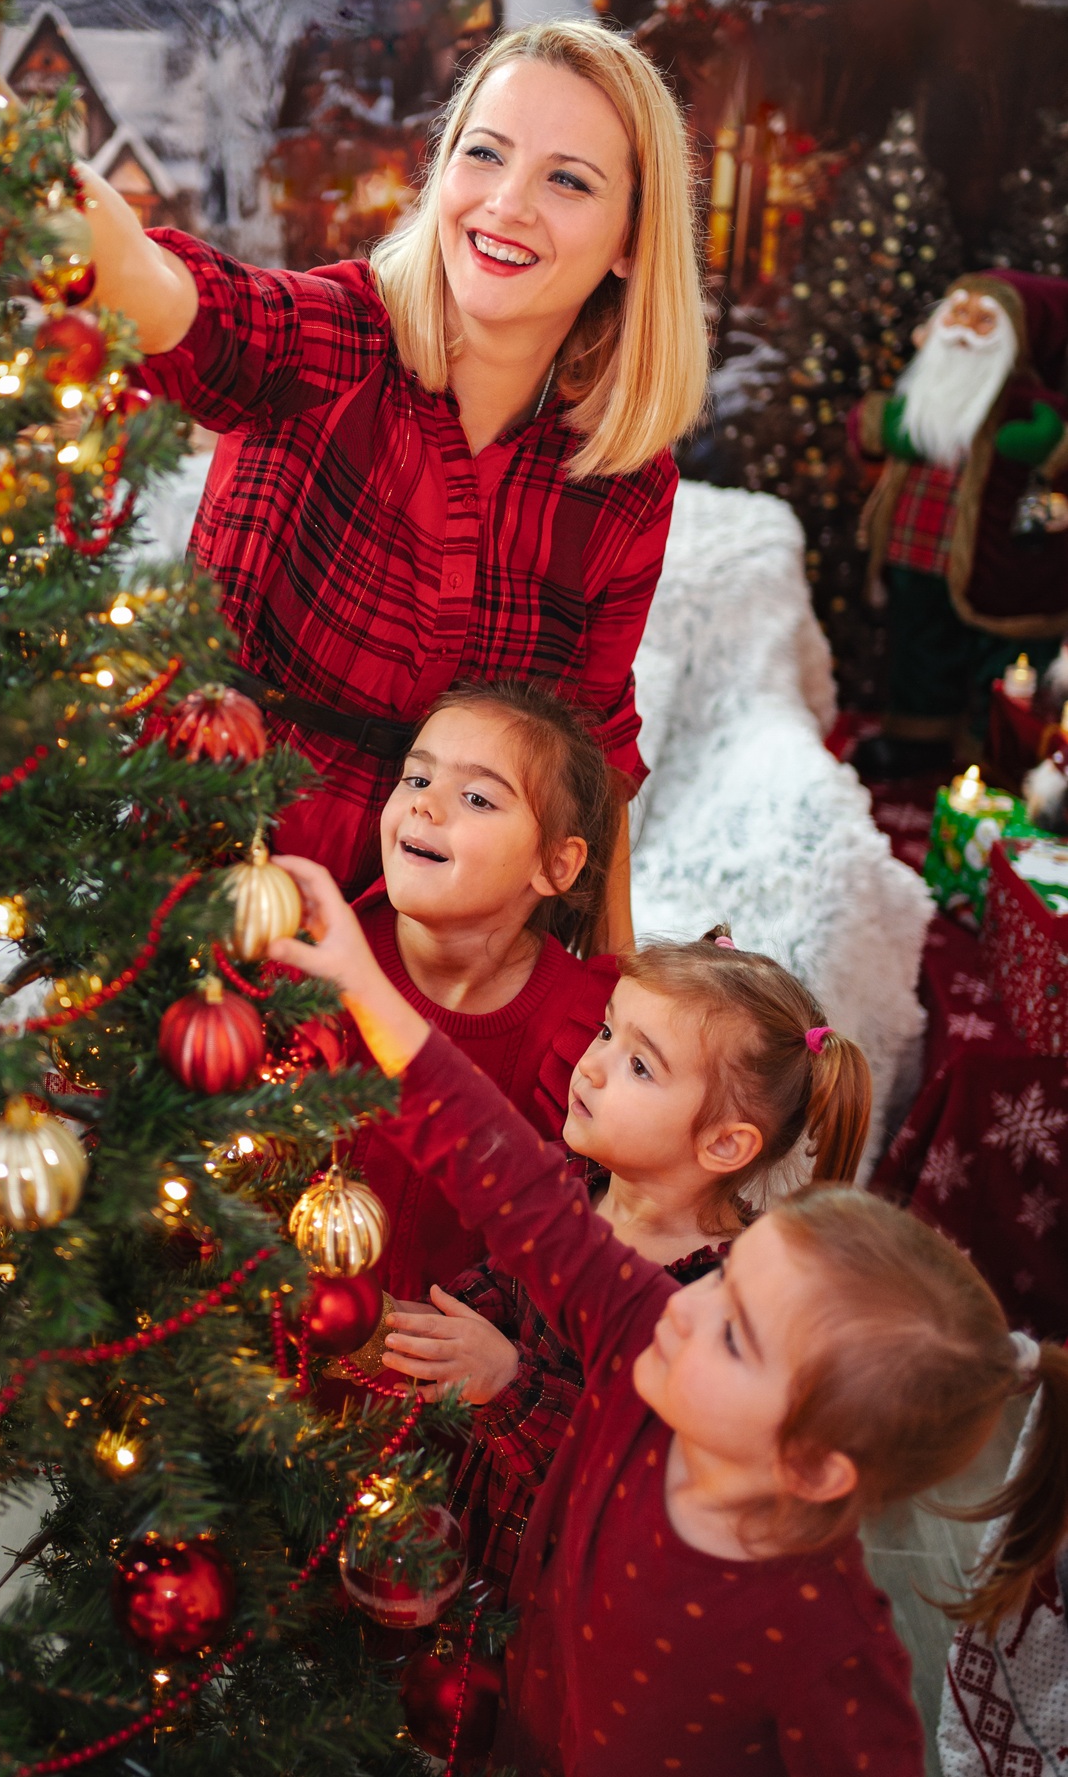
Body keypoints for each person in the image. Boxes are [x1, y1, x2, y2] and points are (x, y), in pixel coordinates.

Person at [0, 0, 709, 940]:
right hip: (219, 871)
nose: (506, 203)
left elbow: (591, 751)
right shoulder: (333, 336)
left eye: (569, 180)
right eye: (484, 152)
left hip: (446, 937)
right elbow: (142, 278)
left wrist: (611, 987)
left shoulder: (624, 474)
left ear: (632, 237)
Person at [269, 855, 1068, 1777]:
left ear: (809, 1461)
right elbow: (502, 1168)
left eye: (733, 1330)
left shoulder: (832, 1652)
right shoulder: (649, 1342)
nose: (683, 1314)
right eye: (722, 1288)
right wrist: (366, 983)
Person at [383, 929, 872, 1597]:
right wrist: (429, 1325)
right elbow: (505, 1283)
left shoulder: (719, 1300)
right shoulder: (579, 1186)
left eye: (640, 1065)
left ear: (725, 1143)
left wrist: (505, 1378)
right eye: (608, 1031)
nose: (590, 1065)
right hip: (477, 1545)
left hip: (564, 1598)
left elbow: (630, 1468)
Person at [339, 679, 619, 1308]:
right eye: (416, 779)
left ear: (554, 865)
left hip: (456, 1395)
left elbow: (585, 1249)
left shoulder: (590, 1034)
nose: (426, 807)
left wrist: (506, 1355)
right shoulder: (316, 967)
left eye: (476, 797)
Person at [850, 271, 1068, 780]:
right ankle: (915, 740)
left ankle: (994, 756)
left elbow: (1054, 447)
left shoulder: (1026, 407)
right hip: (915, 547)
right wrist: (876, 423)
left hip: (997, 562)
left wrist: (1047, 443)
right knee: (920, 648)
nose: (964, 328)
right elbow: (882, 429)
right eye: (958, 311)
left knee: (1005, 662)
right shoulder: (927, 386)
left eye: (983, 319)